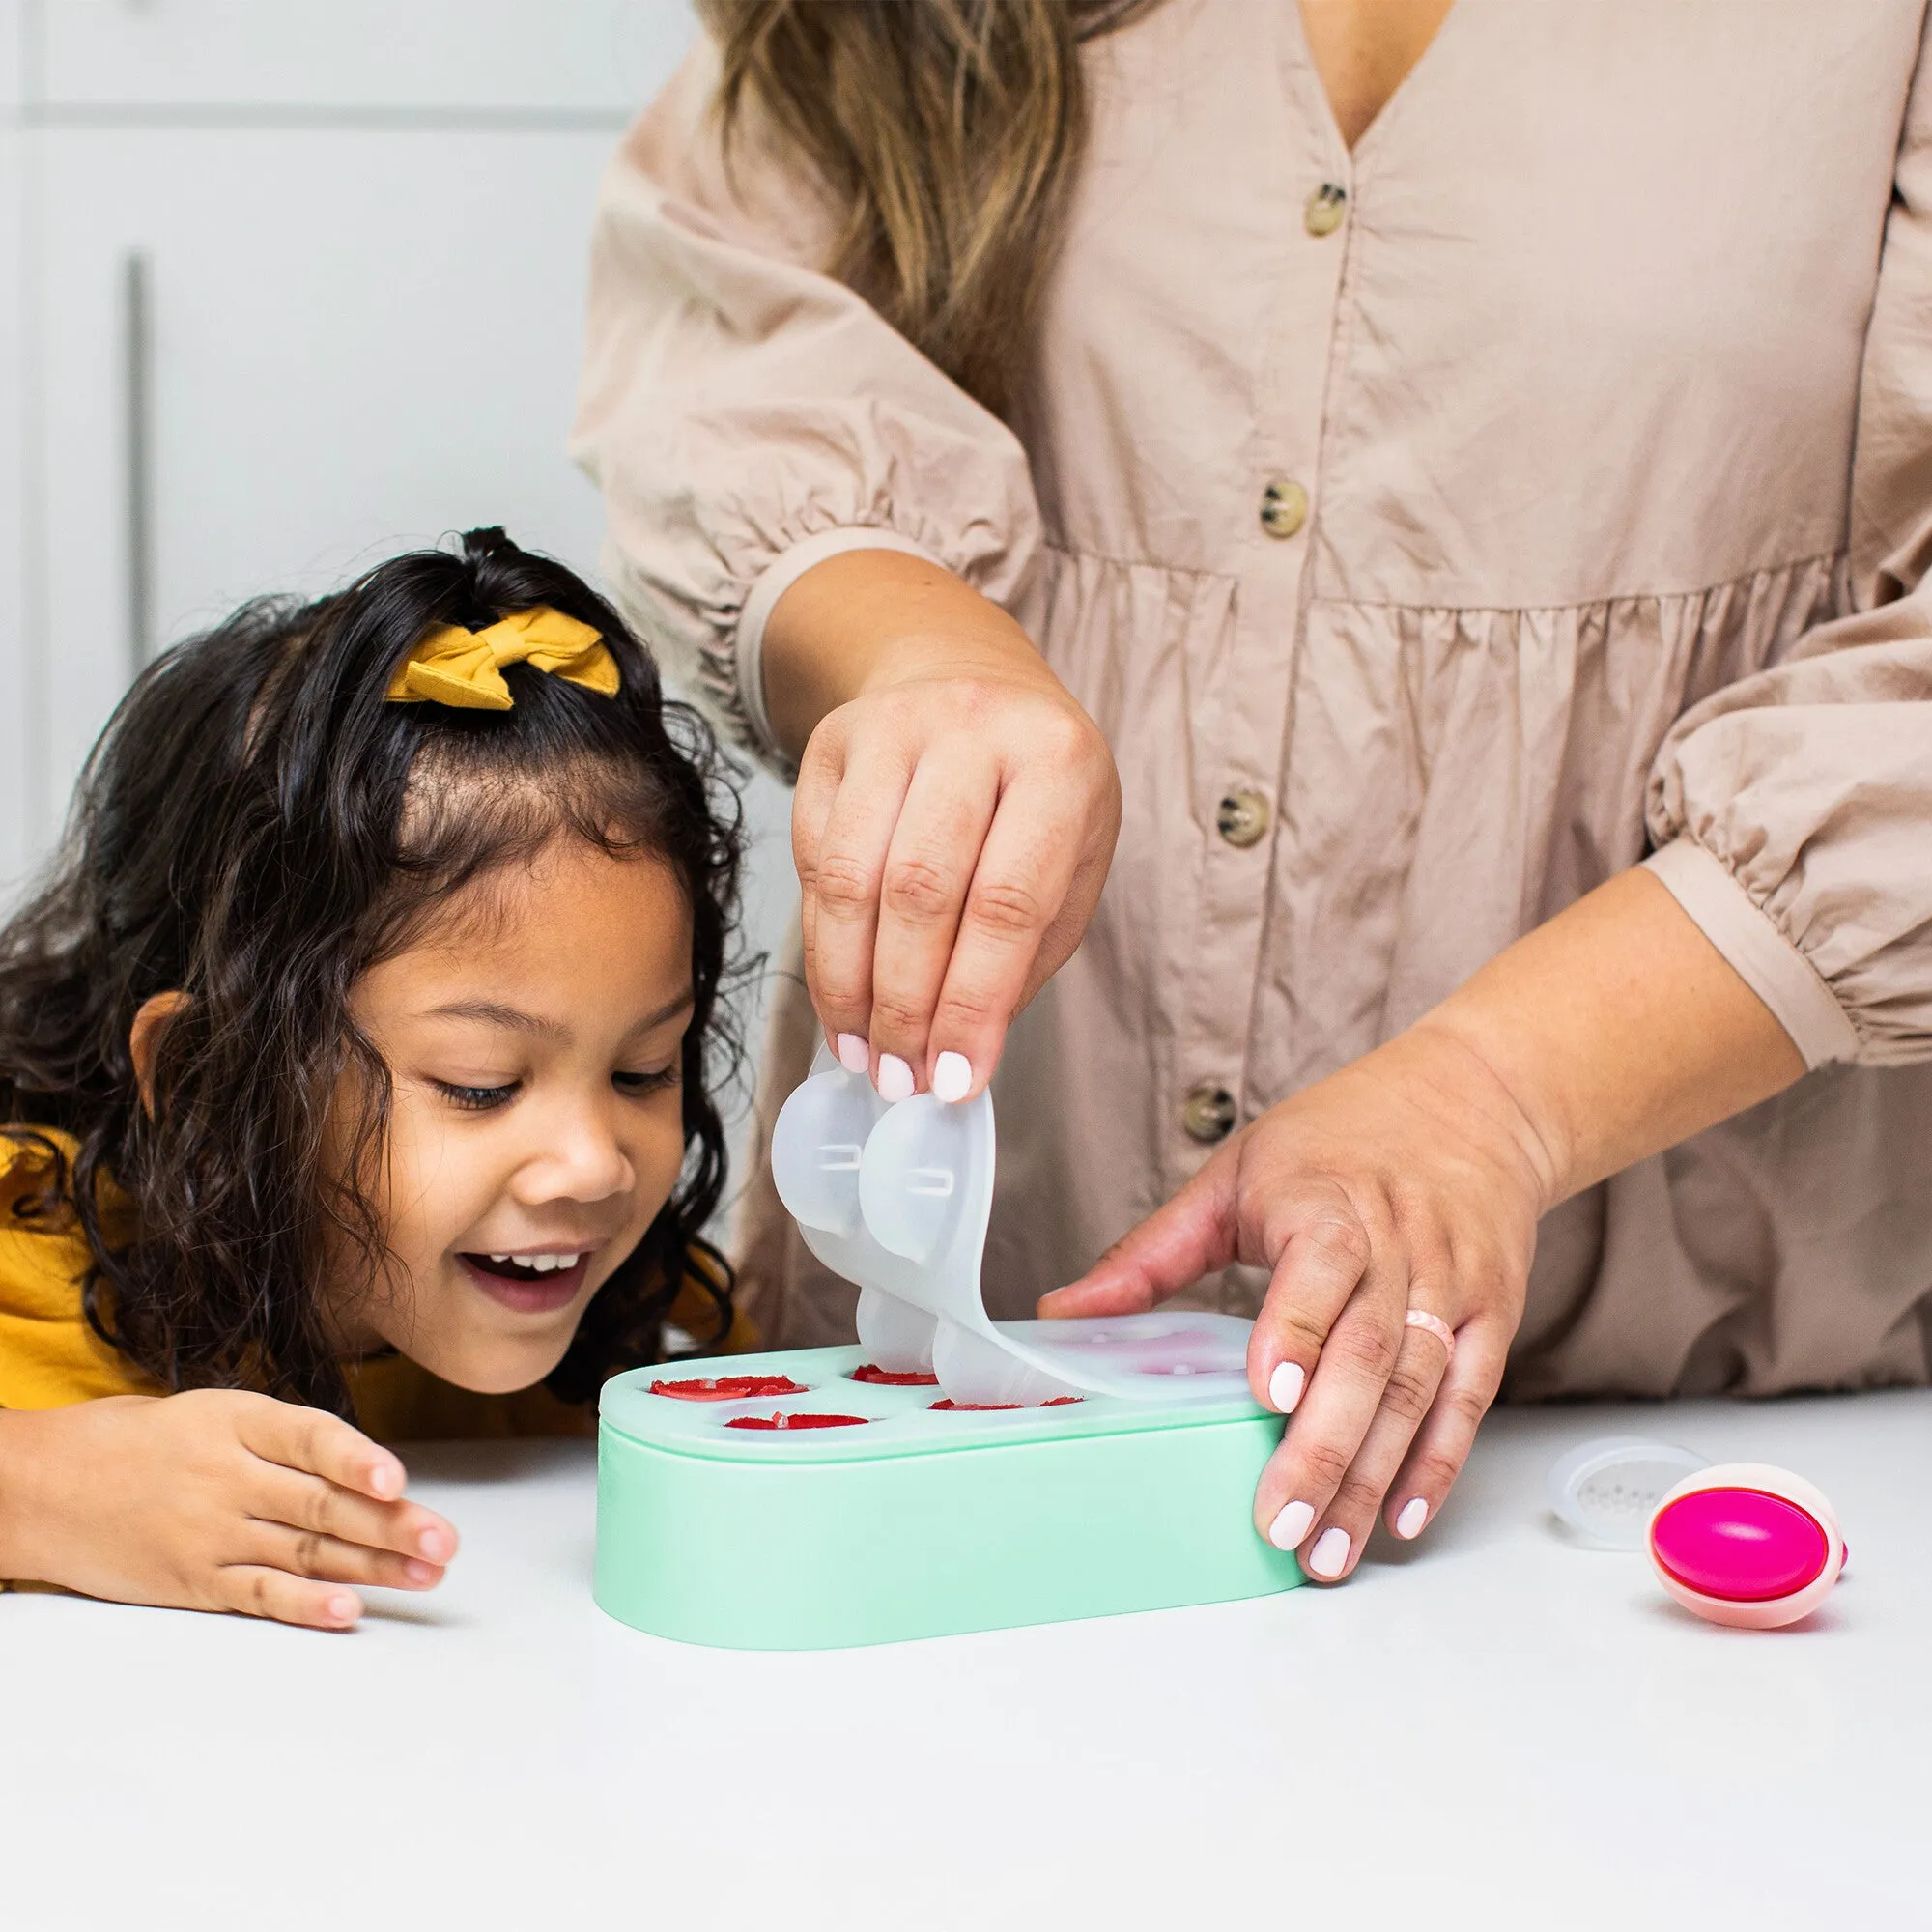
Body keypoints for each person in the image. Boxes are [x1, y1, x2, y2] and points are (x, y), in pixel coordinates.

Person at [573, 0, 1932, 1585]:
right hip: (940, 1459)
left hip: (1669, 1486)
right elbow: (734, 345)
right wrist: (921, 649)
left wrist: (1494, 1094)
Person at [0, 528, 750, 1628]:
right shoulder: (26, 1242)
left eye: (642, 1067)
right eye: (483, 1084)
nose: (593, 1162)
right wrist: (34, 1488)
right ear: (208, 1083)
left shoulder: (622, 1307)